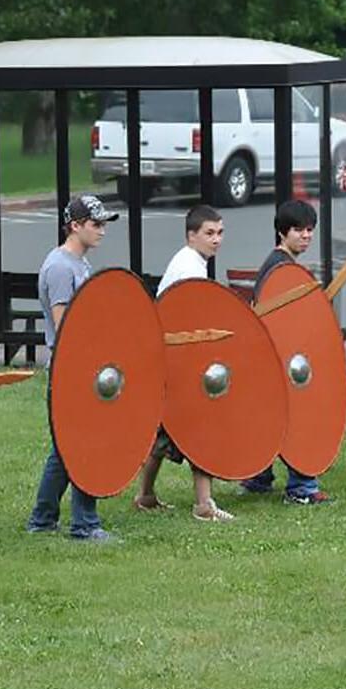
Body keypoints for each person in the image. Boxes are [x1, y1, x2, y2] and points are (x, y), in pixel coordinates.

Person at [26, 194, 119, 542]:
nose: (102, 232)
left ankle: (42, 518)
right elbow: (66, 327)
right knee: (82, 445)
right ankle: (85, 524)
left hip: (83, 367)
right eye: (96, 225)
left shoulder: (80, 264)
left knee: (65, 448)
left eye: (103, 224)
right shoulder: (62, 267)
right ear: (75, 226)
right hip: (71, 370)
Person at [133, 205, 234, 522]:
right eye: (209, 233)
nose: (216, 240)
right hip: (180, 363)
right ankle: (204, 505)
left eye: (219, 233)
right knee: (201, 430)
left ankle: (146, 496)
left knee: (165, 433)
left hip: (173, 362)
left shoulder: (190, 262)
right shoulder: (190, 267)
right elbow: (187, 319)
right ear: (192, 235)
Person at [239, 200, 333, 505]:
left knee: (272, 417)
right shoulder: (279, 267)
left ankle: (258, 476)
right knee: (295, 417)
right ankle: (301, 488)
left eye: (309, 230)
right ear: (282, 232)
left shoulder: (285, 265)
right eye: (298, 230)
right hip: (277, 355)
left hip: (274, 355)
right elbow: (274, 317)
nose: (306, 236)